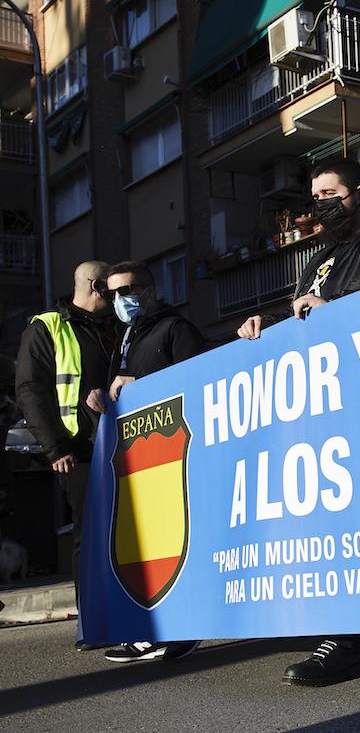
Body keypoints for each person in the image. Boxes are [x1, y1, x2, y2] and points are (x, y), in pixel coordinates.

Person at [236, 157, 360, 686]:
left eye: (331, 191)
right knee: (359, 527)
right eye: (316, 194)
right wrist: (272, 325)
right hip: (333, 413)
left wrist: (334, 309)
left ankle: (343, 644)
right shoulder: (319, 261)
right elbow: (309, 316)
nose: (321, 202)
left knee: (358, 525)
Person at [83, 261, 205, 664]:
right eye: (113, 293)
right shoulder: (127, 335)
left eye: (129, 290)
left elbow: (199, 378)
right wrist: (103, 398)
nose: (121, 299)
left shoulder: (175, 328)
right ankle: (149, 630)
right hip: (140, 458)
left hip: (176, 456)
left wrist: (142, 385)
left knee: (175, 542)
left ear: (150, 290)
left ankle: (182, 632)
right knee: (146, 549)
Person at [14, 261, 113, 631]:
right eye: (113, 288)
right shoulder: (48, 327)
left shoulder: (114, 326)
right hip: (79, 450)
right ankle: (93, 617)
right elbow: (30, 390)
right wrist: (55, 447)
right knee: (89, 534)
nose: (120, 296)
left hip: (124, 442)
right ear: (95, 286)